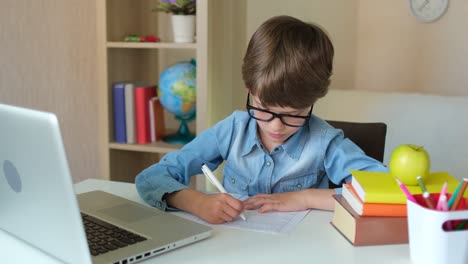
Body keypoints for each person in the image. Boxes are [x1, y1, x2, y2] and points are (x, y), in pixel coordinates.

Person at [135, 15, 387, 224]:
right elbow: (150, 178)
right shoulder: (233, 130)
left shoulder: (325, 141)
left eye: (294, 114)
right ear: (250, 91)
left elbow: (387, 190)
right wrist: (195, 201)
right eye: (264, 108)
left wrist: (306, 198)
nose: (275, 126)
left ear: (313, 102)